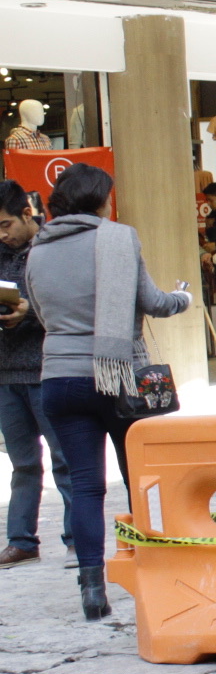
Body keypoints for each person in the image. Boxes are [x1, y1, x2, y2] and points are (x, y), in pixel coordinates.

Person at [22, 163, 192, 619]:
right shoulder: (119, 238)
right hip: (115, 380)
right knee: (138, 478)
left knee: (85, 485)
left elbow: (40, 312)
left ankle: (92, 588)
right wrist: (184, 298)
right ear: (100, 200)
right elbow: (153, 302)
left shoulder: (37, 250)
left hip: (58, 378)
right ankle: (152, 572)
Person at [0, 180, 74, 568]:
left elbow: (68, 308)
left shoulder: (51, 250)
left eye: (6, 224)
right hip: (6, 373)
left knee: (65, 458)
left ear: (28, 214)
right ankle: (21, 540)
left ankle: (78, 538)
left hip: (48, 370)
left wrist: (30, 312)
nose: (3, 234)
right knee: (23, 463)